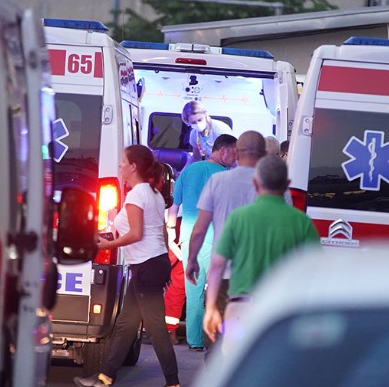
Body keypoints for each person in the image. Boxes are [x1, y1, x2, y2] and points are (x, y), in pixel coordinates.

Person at [74, 145, 179, 387]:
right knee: (126, 324)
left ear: (133, 166)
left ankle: (173, 382)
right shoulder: (152, 193)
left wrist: (107, 245)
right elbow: (160, 231)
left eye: (123, 161)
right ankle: (105, 377)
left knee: (155, 328)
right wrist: (163, 263)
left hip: (146, 265)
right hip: (151, 264)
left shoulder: (137, 195)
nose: (120, 165)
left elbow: (136, 233)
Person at [203, 155, 320, 353]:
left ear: (256, 183)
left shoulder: (239, 218)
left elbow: (217, 265)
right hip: (280, 313)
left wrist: (211, 307)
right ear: (287, 185)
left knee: (237, 363)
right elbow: (315, 269)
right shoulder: (301, 222)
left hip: (239, 310)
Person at [167, 134, 238, 351]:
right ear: (223, 150)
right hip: (215, 238)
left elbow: (174, 206)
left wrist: (171, 233)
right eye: (234, 152)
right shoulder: (226, 176)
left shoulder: (188, 171)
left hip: (189, 238)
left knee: (193, 292)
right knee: (217, 291)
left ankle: (194, 341)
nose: (236, 158)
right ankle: (213, 340)